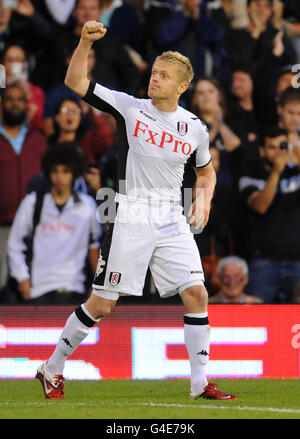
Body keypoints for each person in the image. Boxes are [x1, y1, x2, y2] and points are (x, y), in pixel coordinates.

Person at [35, 20, 237, 401]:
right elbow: (76, 83)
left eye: (165, 75)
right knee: (103, 304)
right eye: (154, 72)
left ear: (182, 86)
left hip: (171, 217)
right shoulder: (130, 108)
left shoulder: (194, 127)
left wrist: (204, 196)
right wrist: (83, 43)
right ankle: (52, 367)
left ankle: (198, 385)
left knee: (197, 294)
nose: (155, 79)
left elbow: (206, 171)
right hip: (129, 212)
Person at [7, 144, 101, 305]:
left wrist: (98, 286)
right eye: (55, 171)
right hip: (38, 290)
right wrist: (23, 278)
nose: (59, 177)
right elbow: (14, 245)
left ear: (74, 174)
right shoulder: (33, 202)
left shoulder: (87, 206)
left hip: (75, 289)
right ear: (48, 172)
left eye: (65, 171)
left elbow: (95, 248)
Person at [239, 127, 300, 303]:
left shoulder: (296, 172)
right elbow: (260, 206)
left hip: (297, 258)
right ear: (262, 150)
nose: (278, 153)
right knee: (257, 318)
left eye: (282, 146)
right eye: (272, 147)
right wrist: (276, 172)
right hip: (264, 261)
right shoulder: (250, 174)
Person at [0, 83, 48, 292]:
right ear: (2, 103)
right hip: (1, 226)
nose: (15, 104)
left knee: (32, 288)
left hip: (34, 230)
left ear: (27, 105)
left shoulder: (38, 140)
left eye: (20, 100)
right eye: (10, 99)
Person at [2, 43, 45, 131]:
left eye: (18, 60)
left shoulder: (36, 92)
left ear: (25, 64)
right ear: (3, 64)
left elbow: (41, 124)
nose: (13, 64)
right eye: (9, 60)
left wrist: (29, 95)